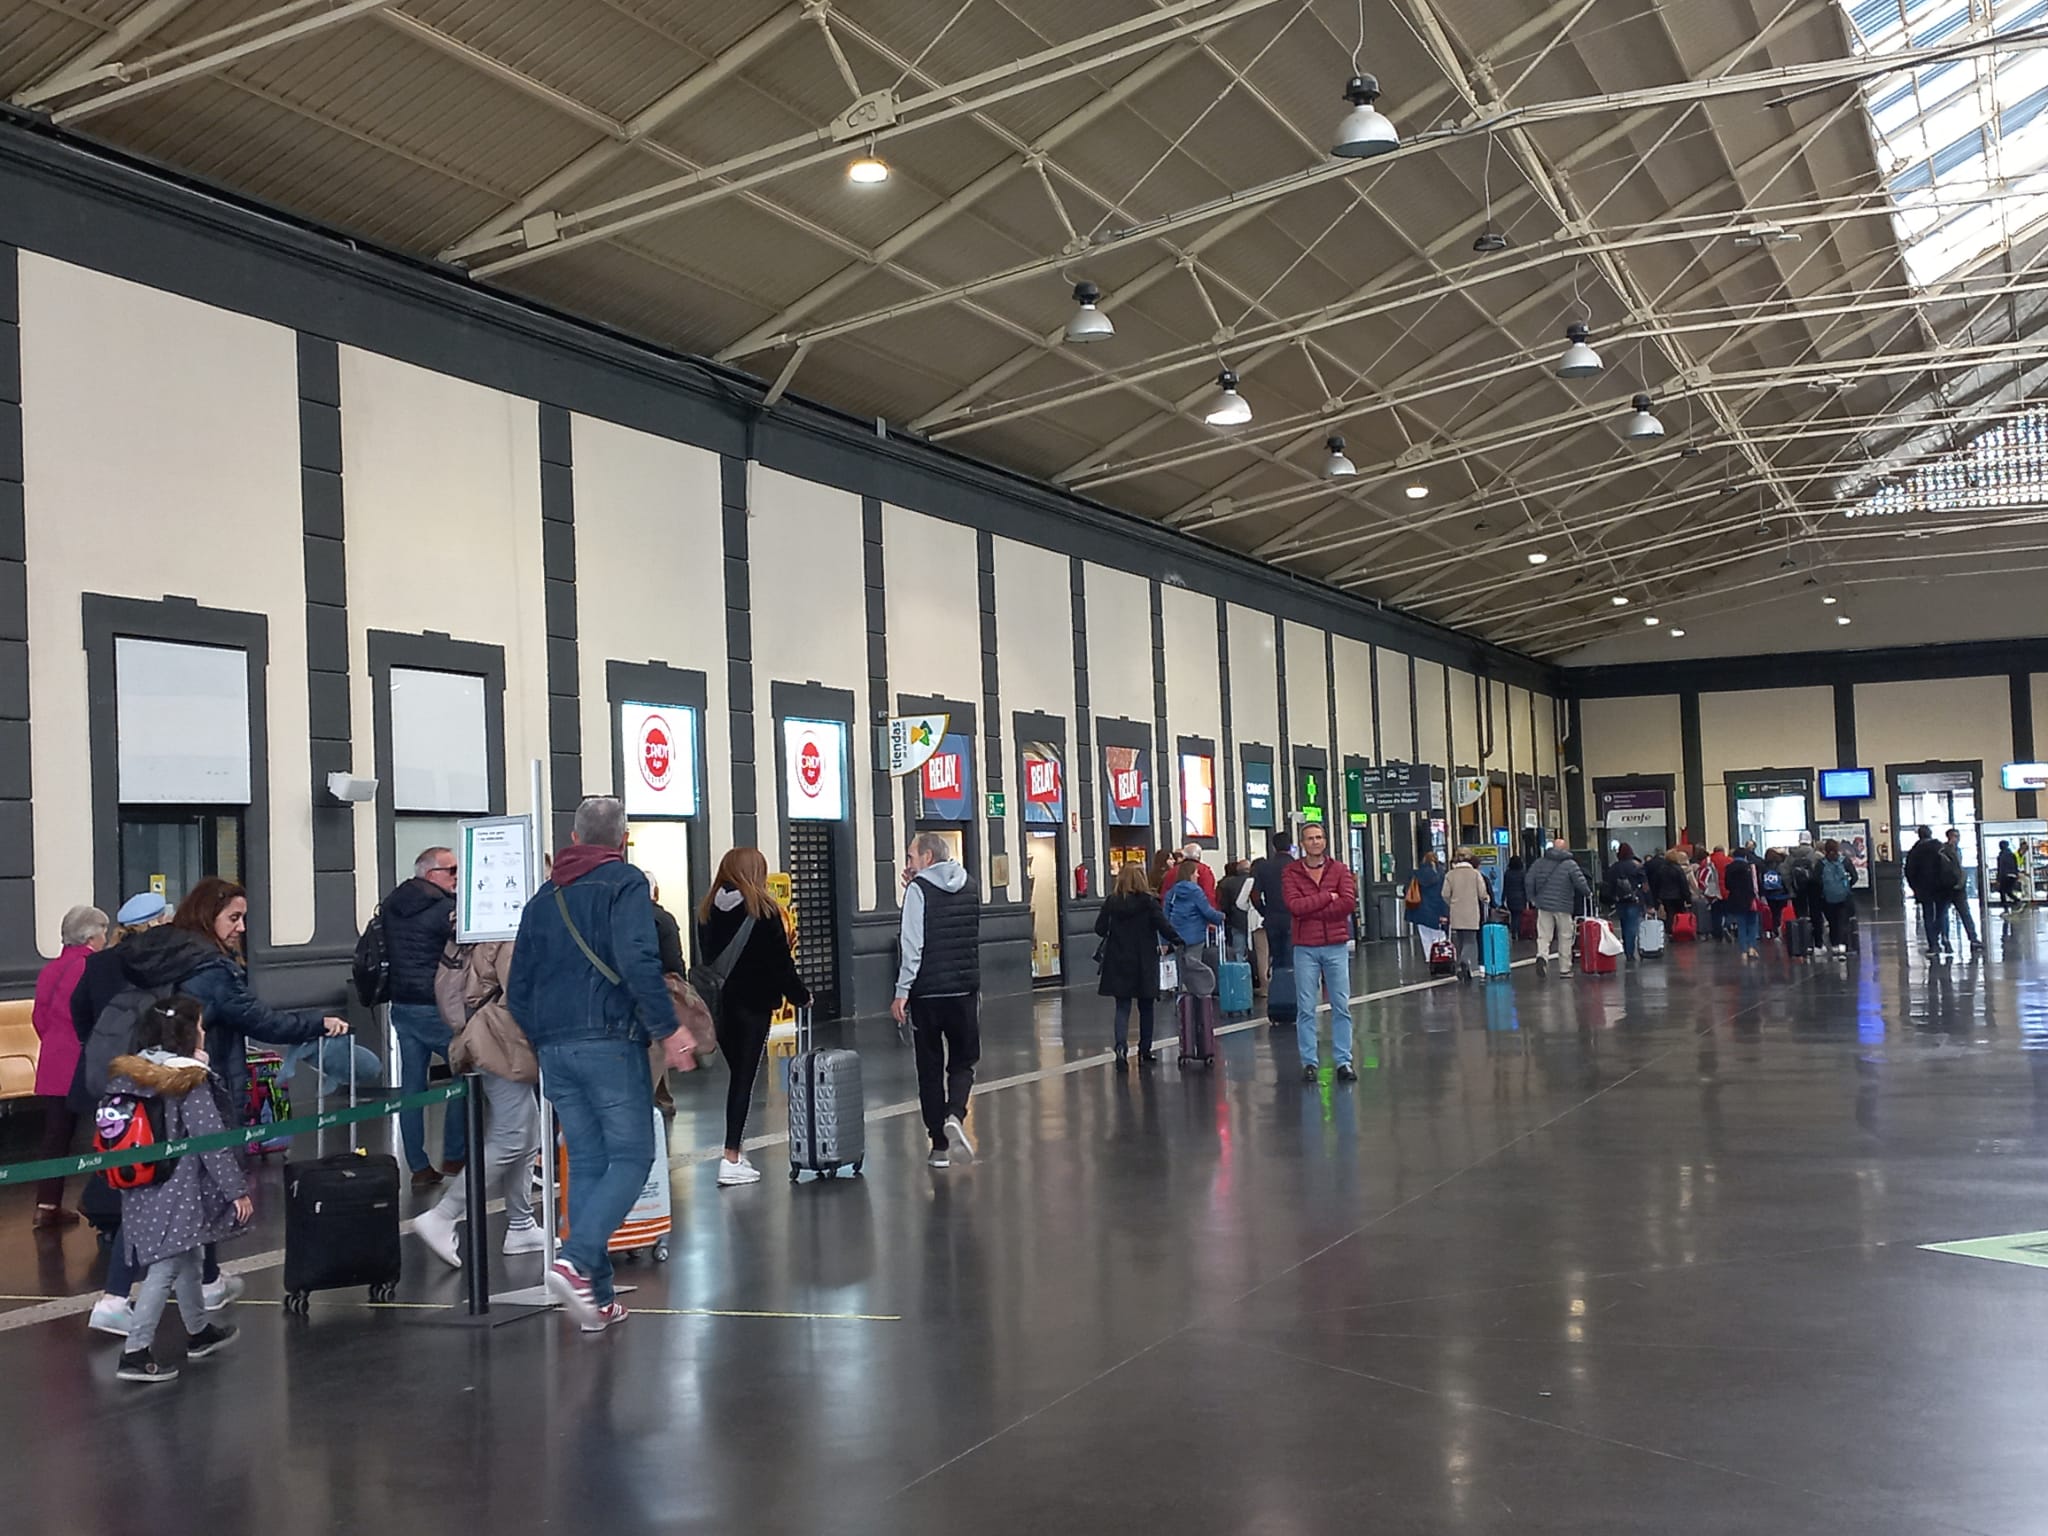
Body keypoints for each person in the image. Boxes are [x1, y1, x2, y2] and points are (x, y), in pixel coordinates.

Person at [508, 796, 677, 1331]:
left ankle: (597, 1301)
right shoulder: (625, 884)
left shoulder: (542, 898)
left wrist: (545, 1037)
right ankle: (578, 1260)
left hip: (554, 1049)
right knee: (632, 1156)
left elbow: (518, 989)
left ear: (574, 839)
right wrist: (665, 1028)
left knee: (585, 1162)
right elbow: (636, 958)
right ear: (622, 839)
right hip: (609, 1040)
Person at [106, 995, 249, 1383]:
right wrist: (236, 1190)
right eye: (200, 1027)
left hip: (138, 1186)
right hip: (177, 1188)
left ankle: (198, 1330)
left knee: (187, 1253)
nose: (204, 1033)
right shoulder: (187, 1079)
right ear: (188, 1034)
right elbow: (210, 1140)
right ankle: (135, 1352)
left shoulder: (129, 1073)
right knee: (166, 1265)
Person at [412, 939, 544, 1267]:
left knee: (527, 1132)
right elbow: (521, 994)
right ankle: (443, 1215)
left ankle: (521, 1223)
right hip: (499, 1040)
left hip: (487, 1036)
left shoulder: (477, 928)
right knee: (513, 1136)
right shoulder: (509, 933)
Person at [697, 848, 809, 1185]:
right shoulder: (765, 912)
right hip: (754, 1007)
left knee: (738, 1077)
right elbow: (780, 965)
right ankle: (731, 1157)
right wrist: (801, 996)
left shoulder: (706, 910)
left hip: (719, 1008)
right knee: (743, 1081)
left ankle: (738, 1153)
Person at [894, 832, 983, 1169]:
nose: (908, 864)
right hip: (964, 989)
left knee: (929, 1068)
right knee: (963, 1060)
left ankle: (939, 1145)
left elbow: (913, 944)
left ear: (927, 857)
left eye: (911, 857)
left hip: (927, 993)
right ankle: (955, 1113)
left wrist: (902, 991)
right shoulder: (971, 885)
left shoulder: (919, 891)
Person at [380, 847, 466, 1189]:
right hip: (436, 1007)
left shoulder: (391, 904)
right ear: (431, 875)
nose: (457, 876)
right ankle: (455, 1153)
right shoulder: (445, 910)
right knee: (466, 1070)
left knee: (413, 1087)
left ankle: (417, 1165)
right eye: (452, 870)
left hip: (401, 1005)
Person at [29, 904, 109, 1230]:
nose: (106, 937)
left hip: (53, 1059)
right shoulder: (92, 967)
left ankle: (46, 1204)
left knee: (55, 1136)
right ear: (91, 936)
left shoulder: (51, 969)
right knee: (107, 1129)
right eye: (103, 931)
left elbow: (39, 1016)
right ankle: (97, 1199)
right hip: (83, 1061)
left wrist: (52, 1042)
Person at [1283, 822, 1358, 1081]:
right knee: (1305, 1007)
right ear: (1302, 844)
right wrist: (1327, 896)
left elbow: (1348, 903)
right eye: (1309, 838)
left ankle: (1343, 1062)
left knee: (1341, 1005)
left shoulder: (1340, 869)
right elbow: (1294, 906)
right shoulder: (1291, 872)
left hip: (1336, 945)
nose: (1315, 842)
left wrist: (1312, 907)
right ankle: (1309, 1062)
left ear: (1325, 841)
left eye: (1319, 837)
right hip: (1305, 948)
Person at [1093, 862, 1179, 1068]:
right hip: (1143, 960)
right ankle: (1145, 1049)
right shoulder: (1149, 902)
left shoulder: (1112, 902)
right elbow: (1163, 925)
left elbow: (1099, 928)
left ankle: (1121, 1047)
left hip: (1118, 959)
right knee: (1146, 1006)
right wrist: (1177, 939)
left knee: (1122, 1007)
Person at [1526, 837, 1591, 977]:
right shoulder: (1570, 864)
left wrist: (1532, 898)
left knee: (1543, 935)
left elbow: (1529, 880)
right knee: (1565, 936)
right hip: (1563, 905)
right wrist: (1588, 892)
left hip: (1543, 905)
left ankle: (1542, 956)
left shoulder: (1539, 863)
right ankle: (1565, 969)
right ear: (1565, 849)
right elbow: (1580, 882)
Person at [1251, 832, 1295, 1026]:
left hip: (1272, 919)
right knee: (1291, 960)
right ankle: (1292, 1002)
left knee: (1276, 959)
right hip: (1294, 918)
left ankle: (1276, 1002)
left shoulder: (1264, 867)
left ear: (1273, 846)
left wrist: (1264, 911)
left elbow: (1254, 894)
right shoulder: (1297, 866)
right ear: (1291, 845)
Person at [1904, 824, 1949, 955]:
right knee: (1942, 914)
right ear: (1930, 833)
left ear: (1919, 835)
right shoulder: (1940, 847)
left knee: (1928, 916)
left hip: (1924, 889)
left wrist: (1915, 888)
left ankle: (1933, 944)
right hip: (1942, 887)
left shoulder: (1915, 851)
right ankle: (1943, 938)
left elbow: (1909, 871)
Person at [1442, 854, 1488, 982]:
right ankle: (1464, 961)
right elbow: (1482, 892)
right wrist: (1485, 898)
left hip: (1456, 911)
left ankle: (1464, 966)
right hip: (1471, 911)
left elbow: (1445, 894)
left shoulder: (1450, 875)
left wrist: (1452, 903)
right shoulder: (1475, 874)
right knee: (1471, 940)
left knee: (1461, 939)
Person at [1163, 858, 1225, 952]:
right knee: (1194, 962)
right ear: (1190, 874)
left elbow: (1165, 915)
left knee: (1181, 964)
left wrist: (1164, 941)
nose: (1198, 875)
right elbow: (1206, 911)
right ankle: (1207, 968)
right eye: (1196, 872)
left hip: (1176, 935)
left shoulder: (1172, 892)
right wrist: (1221, 917)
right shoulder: (1196, 891)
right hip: (1195, 934)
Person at [1602, 843, 1647, 961]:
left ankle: (1627, 949)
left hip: (1620, 900)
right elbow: (1645, 884)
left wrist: (1611, 898)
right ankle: (1630, 952)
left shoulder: (1614, 868)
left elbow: (1609, 885)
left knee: (1624, 924)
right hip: (1634, 900)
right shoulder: (1636, 866)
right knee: (1632, 926)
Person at [1942, 827, 1983, 955]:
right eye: (1955, 836)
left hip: (1959, 888)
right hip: (1948, 887)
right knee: (1945, 914)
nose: (1957, 839)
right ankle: (1945, 939)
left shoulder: (1958, 851)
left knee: (1965, 913)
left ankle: (1973, 938)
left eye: (1958, 836)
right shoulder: (1944, 851)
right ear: (1949, 837)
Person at [1817, 837, 1858, 956]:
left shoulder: (1821, 863)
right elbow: (1855, 876)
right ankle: (1842, 944)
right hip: (1844, 897)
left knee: (1832, 921)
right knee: (1843, 920)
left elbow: (1815, 879)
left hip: (1827, 898)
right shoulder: (1844, 861)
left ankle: (1834, 944)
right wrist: (1847, 886)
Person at [1407, 849, 1449, 956]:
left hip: (1420, 910)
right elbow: (1445, 895)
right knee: (1440, 936)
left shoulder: (1416, 875)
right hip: (1437, 910)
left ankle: (1429, 958)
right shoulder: (1442, 875)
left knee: (1425, 938)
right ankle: (1441, 957)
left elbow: (1406, 890)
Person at [1723, 845, 1760, 960]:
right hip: (1749, 898)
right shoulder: (1749, 867)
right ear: (1745, 856)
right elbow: (1754, 884)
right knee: (1752, 924)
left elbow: (1727, 885)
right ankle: (1752, 948)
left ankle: (1743, 950)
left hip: (1735, 899)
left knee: (1741, 925)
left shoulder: (1728, 868)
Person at [1215, 858, 1254, 962]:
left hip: (1236, 921)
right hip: (1254, 921)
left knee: (1238, 951)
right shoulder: (1255, 881)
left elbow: (1224, 905)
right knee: (1256, 950)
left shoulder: (1228, 883)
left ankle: (1239, 974)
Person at [1759, 848, 1791, 932]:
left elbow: (1761, 880)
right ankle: (1781, 927)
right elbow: (1785, 878)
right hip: (1782, 893)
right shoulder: (1782, 865)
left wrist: (1763, 893)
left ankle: (1774, 929)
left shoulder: (1764, 866)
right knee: (1781, 912)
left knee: (1773, 913)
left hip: (1770, 894)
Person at [1502, 854, 1528, 934]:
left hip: (1510, 897)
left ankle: (1513, 931)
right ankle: (1517, 931)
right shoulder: (1522, 873)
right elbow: (1525, 886)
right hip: (1521, 897)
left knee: (1513, 915)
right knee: (1519, 915)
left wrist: (1503, 898)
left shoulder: (1507, 873)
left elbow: (1505, 886)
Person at [1997, 840, 2022, 906]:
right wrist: (2016, 874)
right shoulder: (2012, 854)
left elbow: (2001, 867)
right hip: (2013, 875)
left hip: (2005, 875)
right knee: (2008, 891)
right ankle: (2016, 901)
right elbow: (2015, 865)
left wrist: (1998, 879)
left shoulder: (2001, 855)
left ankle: (2005, 904)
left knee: (2002, 891)